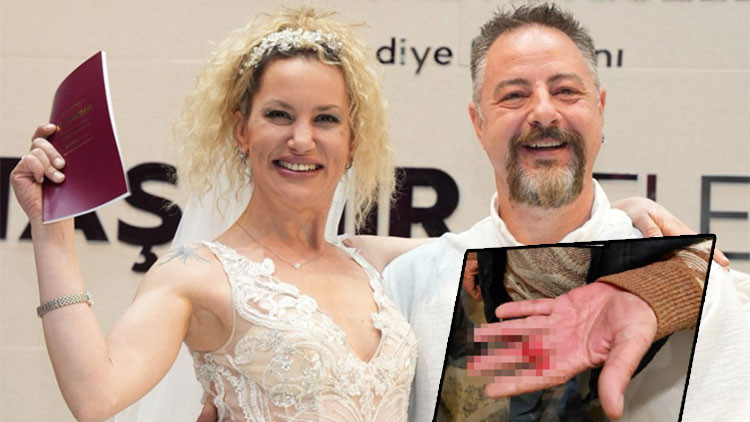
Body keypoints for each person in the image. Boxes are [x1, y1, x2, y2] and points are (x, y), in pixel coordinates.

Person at [11, 7, 419, 421]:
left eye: (326, 119)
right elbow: (95, 395)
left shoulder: (380, 263)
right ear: (242, 130)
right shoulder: (197, 275)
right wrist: (51, 230)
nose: (301, 139)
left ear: (352, 142)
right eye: (278, 115)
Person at [380, 3, 750, 421]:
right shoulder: (413, 282)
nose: (543, 112)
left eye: (566, 91)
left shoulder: (693, 281)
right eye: (514, 95)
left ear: (600, 109)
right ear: (478, 124)